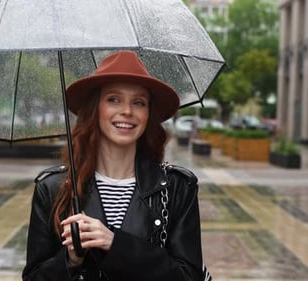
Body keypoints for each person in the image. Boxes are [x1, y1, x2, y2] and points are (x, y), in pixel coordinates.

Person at [22, 50, 204, 281]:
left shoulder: (177, 188)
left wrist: (115, 244)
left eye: (138, 102)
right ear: (95, 109)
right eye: (113, 99)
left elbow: (189, 277)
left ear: (148, 114)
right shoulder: (53, 188)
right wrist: (70, 261)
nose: (127, 111)